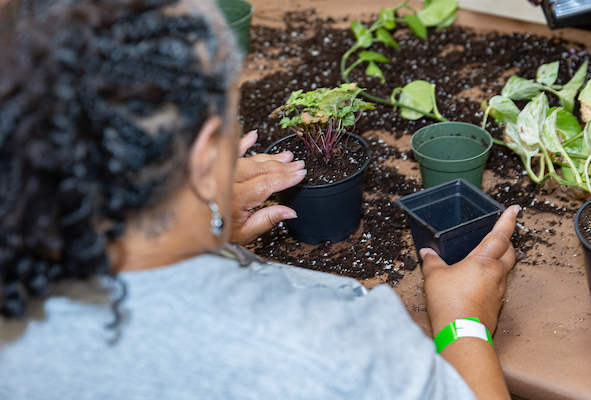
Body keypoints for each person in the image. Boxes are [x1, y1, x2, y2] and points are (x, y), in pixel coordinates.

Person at [0, 0, 519, 399]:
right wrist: (463, 320)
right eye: (233, 119)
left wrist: (185, 223)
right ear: (205, 158)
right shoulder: (336, 342)